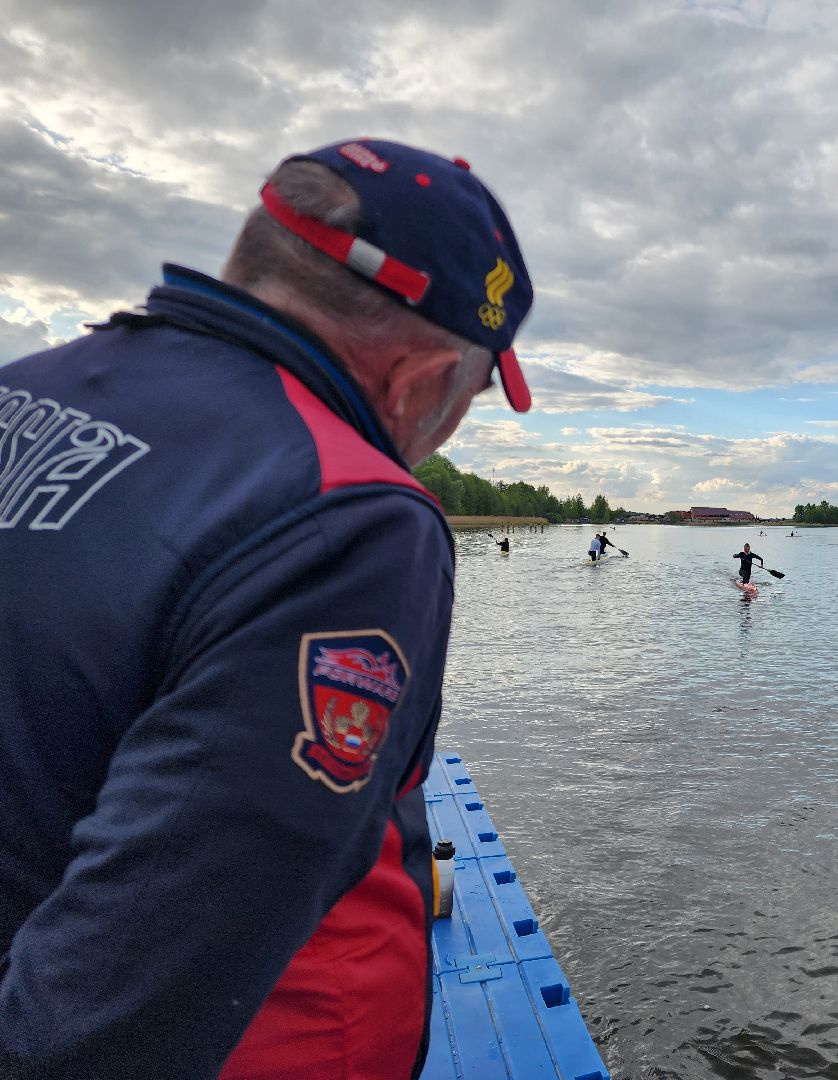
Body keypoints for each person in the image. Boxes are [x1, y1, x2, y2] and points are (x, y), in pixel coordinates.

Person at [0, 138, 534, 1079]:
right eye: (474, 393)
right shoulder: (346, 513)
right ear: (418, 381)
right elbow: (131, 995)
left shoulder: (25, 395)